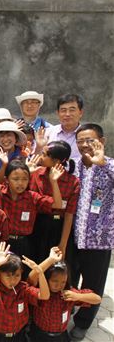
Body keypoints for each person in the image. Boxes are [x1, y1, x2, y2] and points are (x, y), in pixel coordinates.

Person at [68, 123, 113, 341]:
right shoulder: (72, 165)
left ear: (101, 142)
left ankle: (83, 322)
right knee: (68, 277)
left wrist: (102, 163)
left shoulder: (110, 165)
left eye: (90, 140)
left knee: (93, 283)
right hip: (73, 237)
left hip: (98, 239)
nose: (84, 145)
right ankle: (66, 312)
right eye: (80, 141)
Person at [0, 243, 50, 342]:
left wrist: (40, 273)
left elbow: (44, 296)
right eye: (8, 275)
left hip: (18, 336)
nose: (13, 280)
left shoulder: (23, 289)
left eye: (17, 275)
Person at [45, 94, 84, 160]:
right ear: (58, 113)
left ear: (80, 113)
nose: (67, 114)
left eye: (72, 110)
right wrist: (39, 146)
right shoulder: (47, 133)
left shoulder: (87, 135)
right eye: (63, 110)